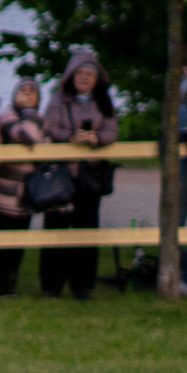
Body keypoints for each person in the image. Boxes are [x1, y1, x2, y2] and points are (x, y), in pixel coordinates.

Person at [39, 49, 118, 299]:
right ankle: (52, 285)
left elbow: (111, 130)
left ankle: (82, 285)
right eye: (80, 73)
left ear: (97, 79)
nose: (84, 78)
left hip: (90, 176)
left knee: (87, 228)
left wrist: (96, 138)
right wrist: (70, 137)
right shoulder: (59, 100)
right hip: (62, 176)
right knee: (57, 228)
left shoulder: (104, 102)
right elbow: (50, 127)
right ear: (71, 76)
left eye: (89, 74)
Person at [0, 79, 46, 297]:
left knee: (17, 245)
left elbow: (44, 143)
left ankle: (10, 286)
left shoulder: (39, 119)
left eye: (32, 92)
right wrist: (29, 111)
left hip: (25, 195)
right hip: (3, 191)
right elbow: (28, 137)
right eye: (23, 90)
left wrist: (32, 116)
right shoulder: (6, 117)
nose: (27, 94)